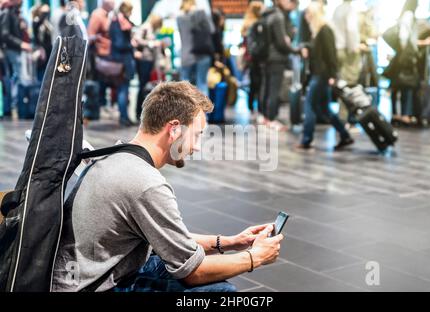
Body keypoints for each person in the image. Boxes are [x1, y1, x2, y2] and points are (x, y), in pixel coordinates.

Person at [51, 81, 284, 292]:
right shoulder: (145, 183)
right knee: (221, 293)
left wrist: (232, 242)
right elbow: (193, 272)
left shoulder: (117, 154)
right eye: (196, 135)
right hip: (92, 287)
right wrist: (256, 257)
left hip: (80, 276)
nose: (197, 147)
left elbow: (168, 238)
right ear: (174, 129)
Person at [296, 2, 353, 151]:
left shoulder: (325, 30)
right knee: (324, 109)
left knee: (309, 105)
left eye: (308, 14)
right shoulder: (318, 31)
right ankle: (345, 135)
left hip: (322, 75)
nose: (306, 17)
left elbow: (331, 54)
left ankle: (307, 139)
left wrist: (333, 75)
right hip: (320, 74)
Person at [261, 0, 301, 131]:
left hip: (267, 57)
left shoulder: (268, 14)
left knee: (266, 88)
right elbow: (282, 42)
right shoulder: (278, 16)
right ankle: (272, 119)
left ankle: (266, 117)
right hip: (276, 58)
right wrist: (295, 49)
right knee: (274, 90)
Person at [0, 0, 33, 116]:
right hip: (11, 51)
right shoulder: (7, 12)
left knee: (16, 79)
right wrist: (20, 44)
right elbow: (4, 35)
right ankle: (13, 108)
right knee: (15, 80)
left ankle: (15, 108)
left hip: (14, 51)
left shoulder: (14, 12)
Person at [332, 0, 361, 125]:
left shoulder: (337, 9)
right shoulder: (349, 10)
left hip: (337, 49)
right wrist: (355, 48)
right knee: (348, 85)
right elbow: (351, 30)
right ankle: (344, 119)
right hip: (347, 50)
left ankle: (343, 118)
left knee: (341, 83)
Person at [177, 0, 214, 96]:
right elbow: (212, 29)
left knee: (185, 88)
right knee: (202, 84)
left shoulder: (180, 18)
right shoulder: (201, 13)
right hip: (202, 53)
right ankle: (203, 111)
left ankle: (186, 111)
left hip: (186, 55)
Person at [109, 0, 136, 127]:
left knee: (123, 89)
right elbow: (119, 43)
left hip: (121, 60)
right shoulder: (119, 23)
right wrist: (131, 45)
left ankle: (124, 117)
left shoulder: (118, 21)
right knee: (123, 90)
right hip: (122, 61)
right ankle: (124, 117)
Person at [87, 0, 115, 108]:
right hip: (100, 55)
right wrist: (98, 39)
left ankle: (104, 105)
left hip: (108, 54)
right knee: (101, 82)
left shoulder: (108, 15)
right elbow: (90, 35)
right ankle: (99, 107)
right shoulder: (97, 15)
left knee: (107, 81)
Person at [241, 0, 265, 120]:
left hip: (248, 57)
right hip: (256, 57)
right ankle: (258, 109)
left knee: (252, 84)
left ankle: (250, 107)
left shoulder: (246, 23)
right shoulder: (257, 23)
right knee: (259, 84)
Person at [32, 4, 53, 81]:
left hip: (48, 50)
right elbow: (37, 38)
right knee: (42, 71)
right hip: (41, 50)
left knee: (48, 70)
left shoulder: (46, 22)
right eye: (44, 12)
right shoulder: (36, 22)